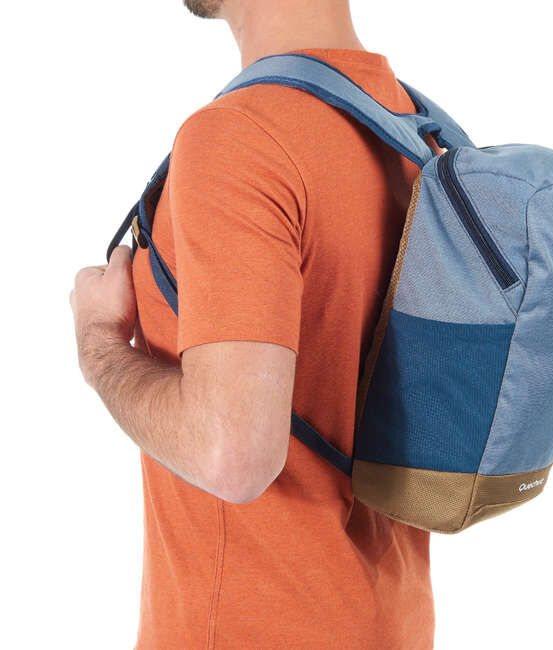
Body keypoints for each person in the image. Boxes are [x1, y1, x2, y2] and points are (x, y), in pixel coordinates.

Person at [70, 0, 437, 647]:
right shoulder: (412, 133)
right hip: (391, 624)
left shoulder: (242, 136)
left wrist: (99, 344)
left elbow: (231, 457)